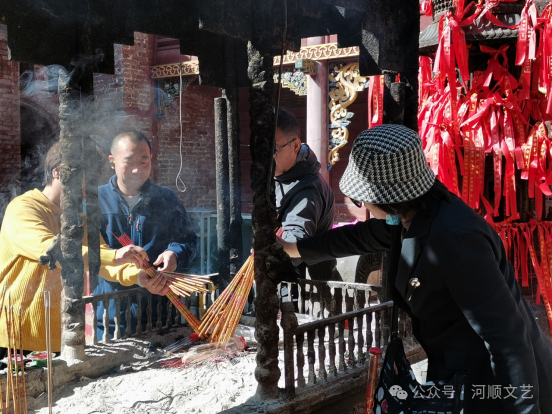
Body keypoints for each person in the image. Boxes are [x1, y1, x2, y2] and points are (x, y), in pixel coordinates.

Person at [279, 124, 552, 413]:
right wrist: (292, 249)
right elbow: (358, 236)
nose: (364, 206)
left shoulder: (455, 239)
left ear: (388, 197)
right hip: (457, 370)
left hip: (498, 386)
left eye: (362, 198)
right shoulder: (411, 215)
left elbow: (506, 338)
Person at [0, 142, 168, 354]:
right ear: (59, 172)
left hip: (60, 338)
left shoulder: (78, 218)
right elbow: (52, 251)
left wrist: (141, 276)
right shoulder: (24, 208)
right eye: (84, 181)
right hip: (15, 337)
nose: (88, 190)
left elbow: (103, 260)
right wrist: (115, 256)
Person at [96, 129, 197, 337]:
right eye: (129, 162)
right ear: (112, 161)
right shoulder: (96, 201)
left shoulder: (166, 198)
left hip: (160, 312)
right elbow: (91, 255)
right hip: (112, 316)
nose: (137, 170)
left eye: (144, 162)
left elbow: (188, 240)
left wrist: (175, 255)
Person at [274, 109, 339, 313]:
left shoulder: (308, 189)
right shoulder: (278, 173)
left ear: (295, 145)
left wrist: (270, 244)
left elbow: (295, 241)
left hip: (310, 282)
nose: (267, 158)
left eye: (274, 149)